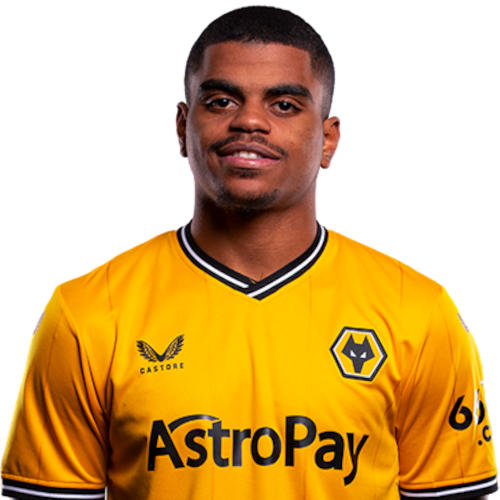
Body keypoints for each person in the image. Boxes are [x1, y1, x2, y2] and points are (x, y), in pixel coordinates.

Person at [1, 5, 498, 500]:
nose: (250, 121)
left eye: (284, 105)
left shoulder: (418, 312)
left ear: (329, 139)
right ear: (181, 127)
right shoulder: (87, 313)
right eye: (221, 101)